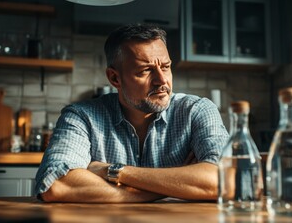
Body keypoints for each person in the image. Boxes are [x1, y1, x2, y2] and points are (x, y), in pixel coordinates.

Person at [35, 23, 229, 203]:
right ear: (114, 78)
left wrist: (114, 172)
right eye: (145, 70)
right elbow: (55, 185)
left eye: (166, 67)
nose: (162, 81)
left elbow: (227, 180)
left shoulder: (197, 110)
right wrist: (179, 184)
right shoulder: (81, 117)